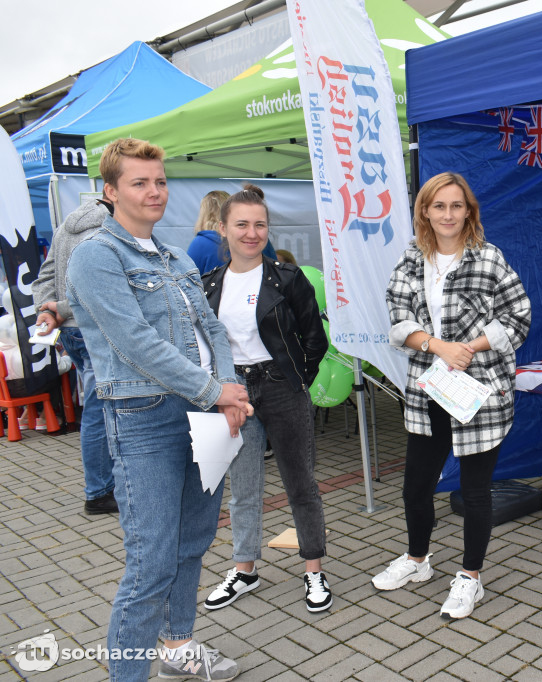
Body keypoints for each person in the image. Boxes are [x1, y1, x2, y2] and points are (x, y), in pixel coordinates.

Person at [66, 138, 250, 682]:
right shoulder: (96, 255)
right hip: (144, 420)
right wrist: (214, 392)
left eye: (160, 181)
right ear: (110, 191)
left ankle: (177, 648)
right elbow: (134, 341)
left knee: (193, 542)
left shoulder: (173, 258)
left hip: (203, 418)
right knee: (150, 562)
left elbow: (211, 329)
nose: (154, 191)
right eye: (139, 182)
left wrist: (230, 389)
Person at [372, 171, 531, 620]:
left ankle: (470, 578)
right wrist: (438, 346)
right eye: (438, 206)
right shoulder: (410, 261)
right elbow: (398, 319)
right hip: (428, 391)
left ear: (469, 212)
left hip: (479, 391)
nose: (447, 214)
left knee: (476, 491)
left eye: (456, 206)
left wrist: (470, 348)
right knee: (415, 487)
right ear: (425, 210)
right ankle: (418, 560)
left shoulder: (489, 259)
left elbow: (519, 316)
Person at [201, 184, 332, 613]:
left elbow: (315, 338)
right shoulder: (210, 285)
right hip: (234, 392)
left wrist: (298, 381)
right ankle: (244, 569)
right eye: (242, 224)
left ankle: (314, 569)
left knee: (300, 484)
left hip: (281, 388)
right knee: (243, 488)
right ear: (223, 228)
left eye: (260, 224)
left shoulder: (288, 279)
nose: (251, 232)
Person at [32, 200, 117, 514]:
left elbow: (43, 279)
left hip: (70, 332)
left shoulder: (63, 228)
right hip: (92, 327)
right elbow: (96, 287)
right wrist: (59, 309)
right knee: (99, 411)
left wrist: (47, 309)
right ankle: (98, 493)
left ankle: (106, 486)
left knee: (99, 407)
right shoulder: (108, 227)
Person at [187, 189, 276, 274]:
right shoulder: (258, 240)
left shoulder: (199, 244)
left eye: (259, 224)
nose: (252, 234)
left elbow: (186, 283)